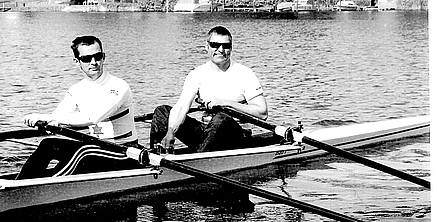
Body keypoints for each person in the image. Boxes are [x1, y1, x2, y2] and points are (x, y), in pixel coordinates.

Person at [17, 35, 139, 179]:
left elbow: (94, 117)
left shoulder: (119, 86)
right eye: (87, 59)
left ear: (104, 57)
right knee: (48, 144)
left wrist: (46, 118)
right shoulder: (76, 90)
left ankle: (34, 188)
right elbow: (58, 115)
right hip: (98, 149)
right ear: (77, 62)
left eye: (97, 56)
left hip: (123, 151)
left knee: (82, 151)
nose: (93, 62)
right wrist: (49, 121)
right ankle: (19, 184)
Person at [150, 26, 268, 153]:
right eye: (215, 45)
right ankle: (155, 156)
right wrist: (171, 130)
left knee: (220, 118)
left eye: (226, 46)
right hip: (206, 132)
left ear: (231, 48)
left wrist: (226, 103)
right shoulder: (197, 74)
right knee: (162, 112)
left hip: (236, 136)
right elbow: (182, 106)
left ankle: (199, 160)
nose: (221, 50)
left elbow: (262, 113)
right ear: (207, 47)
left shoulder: (244, 73)